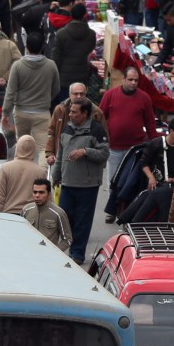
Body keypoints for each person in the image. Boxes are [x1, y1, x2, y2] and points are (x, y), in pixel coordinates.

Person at [51, 99, 109, 263]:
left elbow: (104, 154)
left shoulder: (96, 130)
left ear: (85, 114)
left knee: (82, 221)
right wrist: (56, 176)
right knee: (65, 218)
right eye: (70, 111)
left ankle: (77, 254)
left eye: (74, 112)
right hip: (67, 183)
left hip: (87, 185)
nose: (70, 114)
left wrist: (85, 151)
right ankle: (62, 249)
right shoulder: (67, 128)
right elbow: (61, 154)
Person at [100, 67, 158, 188]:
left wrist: (154, 144)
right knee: (113, 183)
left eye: (136, 80)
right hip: (114, 148)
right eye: (130, 79)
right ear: (123, 79)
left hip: (135, 149)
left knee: (131, 185)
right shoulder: (110, 95)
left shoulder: (145, 98)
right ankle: (112, 207)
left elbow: (150, 123)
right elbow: (100, 119)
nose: (133, 83)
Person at [3, 32, 61, 149]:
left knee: (22, 146)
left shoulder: (17, 65)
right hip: (42, 112)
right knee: (43, 148)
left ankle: (22, 167)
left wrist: (5, 112)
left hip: (21, 111)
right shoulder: (51, 65)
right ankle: (43, 168)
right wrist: (46, 99)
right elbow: (56, 88)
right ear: (43, 47)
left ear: (26, 47)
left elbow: (11, 92)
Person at [0, 135, 42, 213]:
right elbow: (44, 199)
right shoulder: (40, 171)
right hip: (31, 215)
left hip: (9, 215)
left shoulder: (5, 168)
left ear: (17, 147)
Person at [22, 178, 71, 253]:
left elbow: (67, 239)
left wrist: (54, 252)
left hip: (48, 257)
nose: (37, 195)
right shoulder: (26, 210)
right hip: (27, 253)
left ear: (48, 194)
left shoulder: (58, 213)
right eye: (35, 192)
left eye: (41, 192)